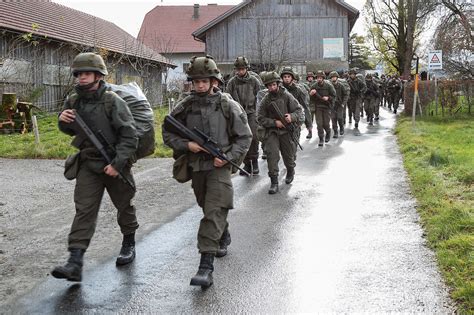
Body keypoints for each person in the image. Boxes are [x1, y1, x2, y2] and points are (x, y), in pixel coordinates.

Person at [163, 55, 252, 288]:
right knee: (208, 207)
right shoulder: (185, 106)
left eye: (205, 81)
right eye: (196, 81)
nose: (200, 85)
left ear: (215, 81)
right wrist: (187, 145)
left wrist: (229, 158)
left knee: (212, 212)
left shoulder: (227, 105)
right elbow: (168, 133)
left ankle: (205, 267)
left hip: (219, 168)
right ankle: (223, 233)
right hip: (197, 168)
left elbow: (245, 137)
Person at [52, 52, 139, 282]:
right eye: (79, 73)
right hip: (88, 164)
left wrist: (118, 164)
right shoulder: (74, 100)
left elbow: (130, 136)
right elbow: (70, 130)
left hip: (114, 162)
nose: (82, 77)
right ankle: (75, 262)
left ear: (99, 76)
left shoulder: (113, 101)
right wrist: (63, 120)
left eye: (87, 73)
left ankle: (129, 243)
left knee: (124, 205)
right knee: (84, 210)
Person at [257, 71, 304, 194]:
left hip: (286, 131)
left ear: (278, 84)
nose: (272, 87)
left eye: (274, 85)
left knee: (288, 156)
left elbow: (299, 111)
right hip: (272, 132)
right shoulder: (265, 100)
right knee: (272, 156)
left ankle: (290, 170)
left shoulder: (287, 96)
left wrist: (292, 117)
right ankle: (274, 182)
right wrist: (274, 122)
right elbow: (260, 118)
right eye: (269, 86)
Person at [226, 56, 263, 175]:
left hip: (252, 113)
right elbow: (227, 98)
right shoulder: (232, 82)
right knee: (241, 138)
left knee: (253, 137)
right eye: (238, 69)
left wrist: (259, 113)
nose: (240, 71)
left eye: (242, 69)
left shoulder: (254, 81)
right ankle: (247, 164)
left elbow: (261, 97)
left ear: (246, 68)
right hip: (238, 114)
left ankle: (255, 162)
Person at [280, 66, 312, 140]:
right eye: (285, 77)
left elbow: (305, 108)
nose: (287, 78)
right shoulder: (279, 89)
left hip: (295, 121)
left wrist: (308, 124)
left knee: (292, 146)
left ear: (292, 78)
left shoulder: (298, 90)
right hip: (281, 120)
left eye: (288, 76)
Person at [309, 70, 336, 146]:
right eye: (318, 78)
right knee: (319, 124)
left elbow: (334, 96)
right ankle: (321, 138)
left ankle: (328, 132)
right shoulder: (314, 86)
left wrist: (328, 98)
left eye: (320, 78)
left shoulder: (328, 86)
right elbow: (308, 98)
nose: (319, 79)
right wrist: (311, 94)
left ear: (323, 78)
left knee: (326, 124)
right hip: (318, 107)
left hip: (326, 107)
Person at [329, 71, 350, 137]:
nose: (333, 78)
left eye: (334, 77)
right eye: (332, 77)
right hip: (332, 105)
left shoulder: (341, 85)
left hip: (340, 104)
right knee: (333, 118)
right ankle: (335, 132)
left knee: (340, 117)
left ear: (337, 78)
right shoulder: (329, 86)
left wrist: (343, 103)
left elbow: (346, 95)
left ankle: (341, 128)